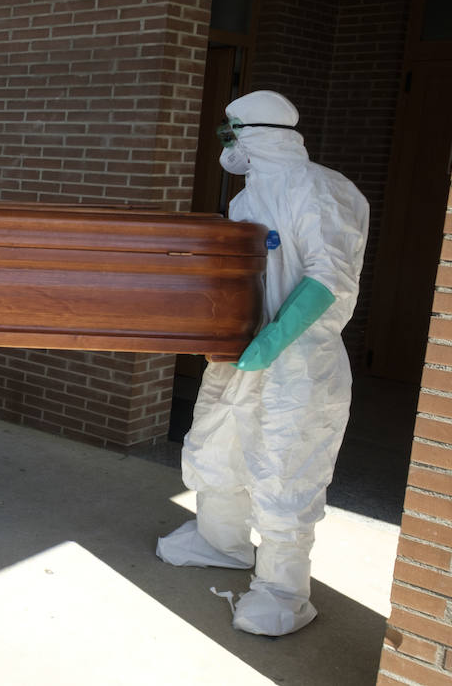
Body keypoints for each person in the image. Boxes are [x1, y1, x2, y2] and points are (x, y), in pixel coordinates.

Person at [156, 90, 369, 636]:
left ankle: (283, 590)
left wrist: (274, 341)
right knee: (217, 445)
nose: (228, 144)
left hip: (298, 361)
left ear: (258, 134)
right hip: (240, 354)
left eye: (232, 132)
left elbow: (330, 275)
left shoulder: (318, 189)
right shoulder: (248, 199)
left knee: (286, 467)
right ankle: (219, 541)